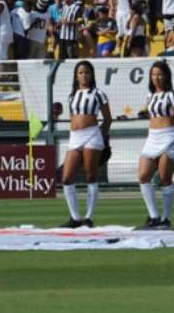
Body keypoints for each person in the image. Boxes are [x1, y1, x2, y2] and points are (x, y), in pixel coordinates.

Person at [137, 61, 174, 230]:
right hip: (152, 137)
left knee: (165, 178)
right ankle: (154, 216)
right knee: (144, 176)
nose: (156, 78)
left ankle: (166, 218)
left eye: (159, 74)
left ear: (166, 76)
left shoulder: (172, 95)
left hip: (168, 136)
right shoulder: (149, 96)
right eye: (153, 74)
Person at [60, 61, 112, 228]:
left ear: (92, 75)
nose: (84, 75)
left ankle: (88, 217)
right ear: (76, 75)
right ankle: (75, 218)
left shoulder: (98, 94)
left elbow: (108, 118)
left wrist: (101, 136)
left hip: (92, 135)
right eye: (81, 72)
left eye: (87, 72)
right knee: (67, 178)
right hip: (75, 137)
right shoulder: (72, 95)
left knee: (91, 175)